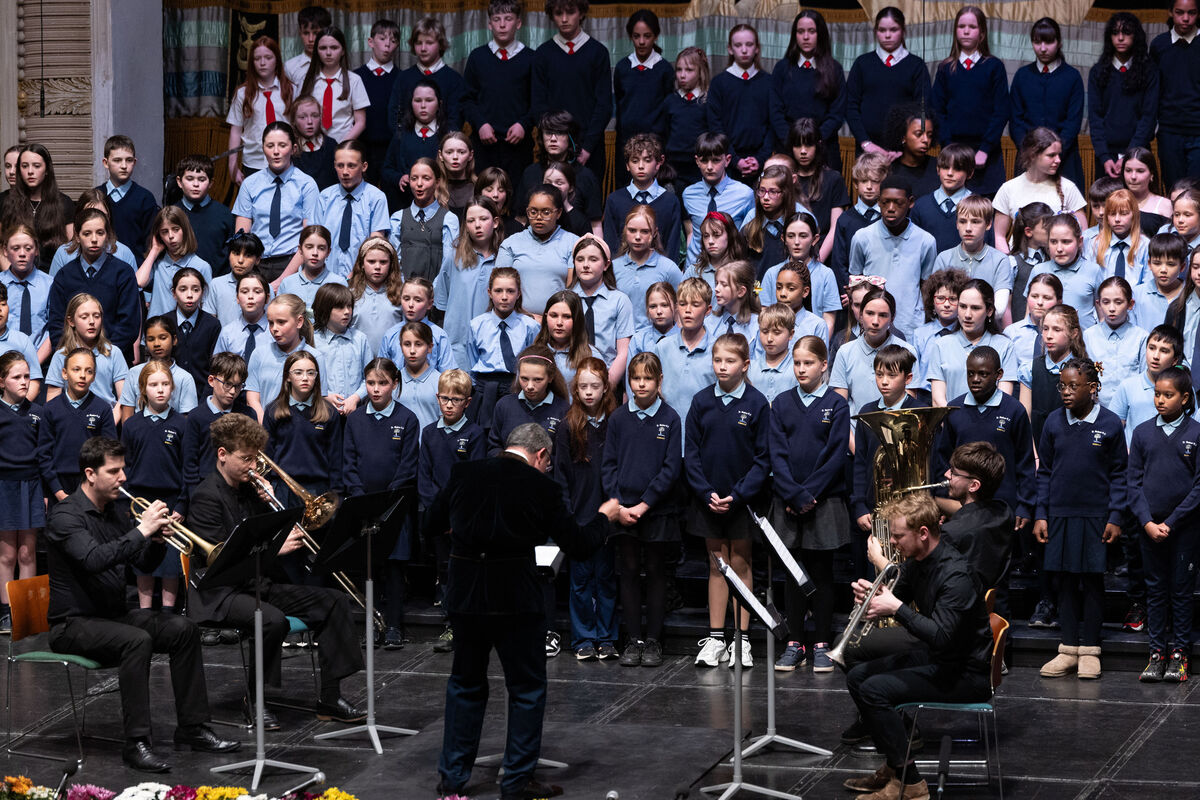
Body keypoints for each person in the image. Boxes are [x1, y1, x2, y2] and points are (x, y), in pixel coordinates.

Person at [428, 422, 619, 800]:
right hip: (516, 598)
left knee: (465, 683)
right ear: (542, 454)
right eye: (548, 463)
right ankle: (515, 780)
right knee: (526, 689)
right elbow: (578, 545)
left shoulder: (465, 472)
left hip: (466, 597)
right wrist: (604, 516)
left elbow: (430, 523)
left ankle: (453, 777)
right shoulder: (541, 487)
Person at [44, 437, 239, 772]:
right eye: (114, 471)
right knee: (137, 640)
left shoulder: (115, 513)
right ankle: (136, 743)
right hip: (72, 624)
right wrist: (142, 530)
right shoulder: (66, 517)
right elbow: (93, 560)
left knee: (183, 628)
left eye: (123, 469)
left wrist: (156, 540)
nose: (123, 477)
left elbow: (143, 566)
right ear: (90, 474)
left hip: (111, 617)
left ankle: (192, 727)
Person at [186, 413, 365, 728]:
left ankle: (330, 697)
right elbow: (222, 560)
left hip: (257, 583)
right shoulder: (205, 496)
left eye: (255, 458)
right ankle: (253, 701)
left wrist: (271, 500)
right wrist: (273, 550)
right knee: (270, 620)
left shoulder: (251, 490)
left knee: (334, 600)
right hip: (220, 593)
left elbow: (271, 531)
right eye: (245, 459)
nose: (252, 466)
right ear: (222, 455)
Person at [841, 492, 993, 800]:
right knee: (858, 678)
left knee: (874, 690)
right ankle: (896, 766)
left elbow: (940, 636)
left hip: (965, 674)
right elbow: (898, 595)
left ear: (923, 533)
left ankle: (910, 783)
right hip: (943, 659)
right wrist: (873, 594)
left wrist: (895, 607)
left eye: (898, 536)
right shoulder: (918, 561)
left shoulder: (955, 575)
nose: (893, 543)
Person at [1036, 358, 1127, 680]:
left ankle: (1090, 650)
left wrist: (1115, 516)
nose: (1066, 392)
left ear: (1093, 388)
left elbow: (1119, 475)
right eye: (1062, 385)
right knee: (1064, 581)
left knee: (1091, 581)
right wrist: (1040, 514)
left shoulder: (1112, 424)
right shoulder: (1053, 423)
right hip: (1059, 514)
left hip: (1096, 516)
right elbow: (1044, 472)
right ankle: (1067, 649)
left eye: (1074, 386)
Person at [686, 332, 770, 669]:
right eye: (718, 360)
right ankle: (717, 638)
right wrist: (707, 493)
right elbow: (690, 453)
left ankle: (742, 640)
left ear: (745, 364)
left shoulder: (756, 403)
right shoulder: (701, 401)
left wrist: (737, 495)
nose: (722, 366)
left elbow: (764, 459)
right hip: (708, 498)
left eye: (730, 361)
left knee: (740, 563)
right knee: (716, 564)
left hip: (742, 500)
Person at [770, 335, 850, 672]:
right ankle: (794, 641)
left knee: (820, 572)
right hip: (788, 501)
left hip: (823, 502)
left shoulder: (836, 404)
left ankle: (821, 642)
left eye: (808, 363)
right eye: (797, 363)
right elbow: (777, 453)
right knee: (792, 573)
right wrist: (792, 493)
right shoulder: (782, 403)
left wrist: (807, 495)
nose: (802, 369)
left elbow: (834, 457)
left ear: (823, 365)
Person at [1129, 365, 1200, 683]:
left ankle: (1179, 655)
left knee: (1182, 592)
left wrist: (1170, 522)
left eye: (1168, 395)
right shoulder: (1142, 433)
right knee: (1155, 592)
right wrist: (1146, 522)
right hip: (1150, 530)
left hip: (1184, 529)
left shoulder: (1196, 433)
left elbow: (1199, 486)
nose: (1160, 400)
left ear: (1184, 398)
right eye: (1157, 394)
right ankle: (1156, 653)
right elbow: (1133, 484)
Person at [463, 0, 536, 182]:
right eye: (497, 19)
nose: (502, 25)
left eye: (508, 19)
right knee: (484, 199)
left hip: (519, 145)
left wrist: (523, 125)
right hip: (484, 144)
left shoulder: (532, 58)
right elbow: (466, 99)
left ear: (518, 23)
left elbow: (539, 101)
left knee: (518, 200)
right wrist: (480, 124)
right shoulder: (477, 57)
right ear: (490, 24)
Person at [1009, 18, 1086, 189]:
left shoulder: (1072, 76)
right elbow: (1016, 120)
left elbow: (1072, 123)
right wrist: (1031, 154)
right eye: (1037, 42)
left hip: (1064, 160)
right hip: (1028, 160)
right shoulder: (1022, 76)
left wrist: (1053, 154)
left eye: (1049, 41)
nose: (1042, 48)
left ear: (1059, 43)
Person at [1088, 13, 1158, 180]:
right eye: (1115, 33)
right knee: (1105, 203)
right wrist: (1104, 156)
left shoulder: (1149, 71)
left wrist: (1130, 154)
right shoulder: (1097, 72)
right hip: (1106, 155)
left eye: (1126, 32)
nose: (1120, 38)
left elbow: (1148, 117)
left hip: (1139, 151)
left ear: (1136, 36)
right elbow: (1095, 118)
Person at [98, 135, 159, 265]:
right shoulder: (96, 196)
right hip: (100, 268)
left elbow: (150, 243)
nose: (124, 166)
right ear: (105, 162)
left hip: (135, 271)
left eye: (129, 160)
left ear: (135, 162)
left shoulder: (145, 198)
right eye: (117, 160)